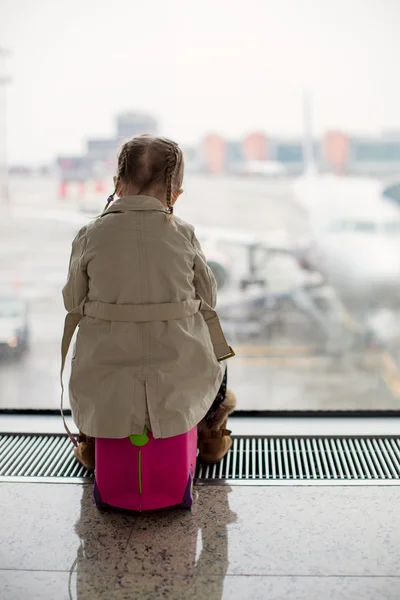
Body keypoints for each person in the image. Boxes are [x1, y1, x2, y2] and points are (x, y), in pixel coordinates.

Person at [62, 134, 236, 471]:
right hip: (178, 373)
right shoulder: (183, 233)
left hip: (107, 372)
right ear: (176, 194)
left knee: (90, 370)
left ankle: (93, 443)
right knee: (217, 366)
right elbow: (209, 297)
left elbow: (73, 300)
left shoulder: (90, 234)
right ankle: (210, 436)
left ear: (117, 184)